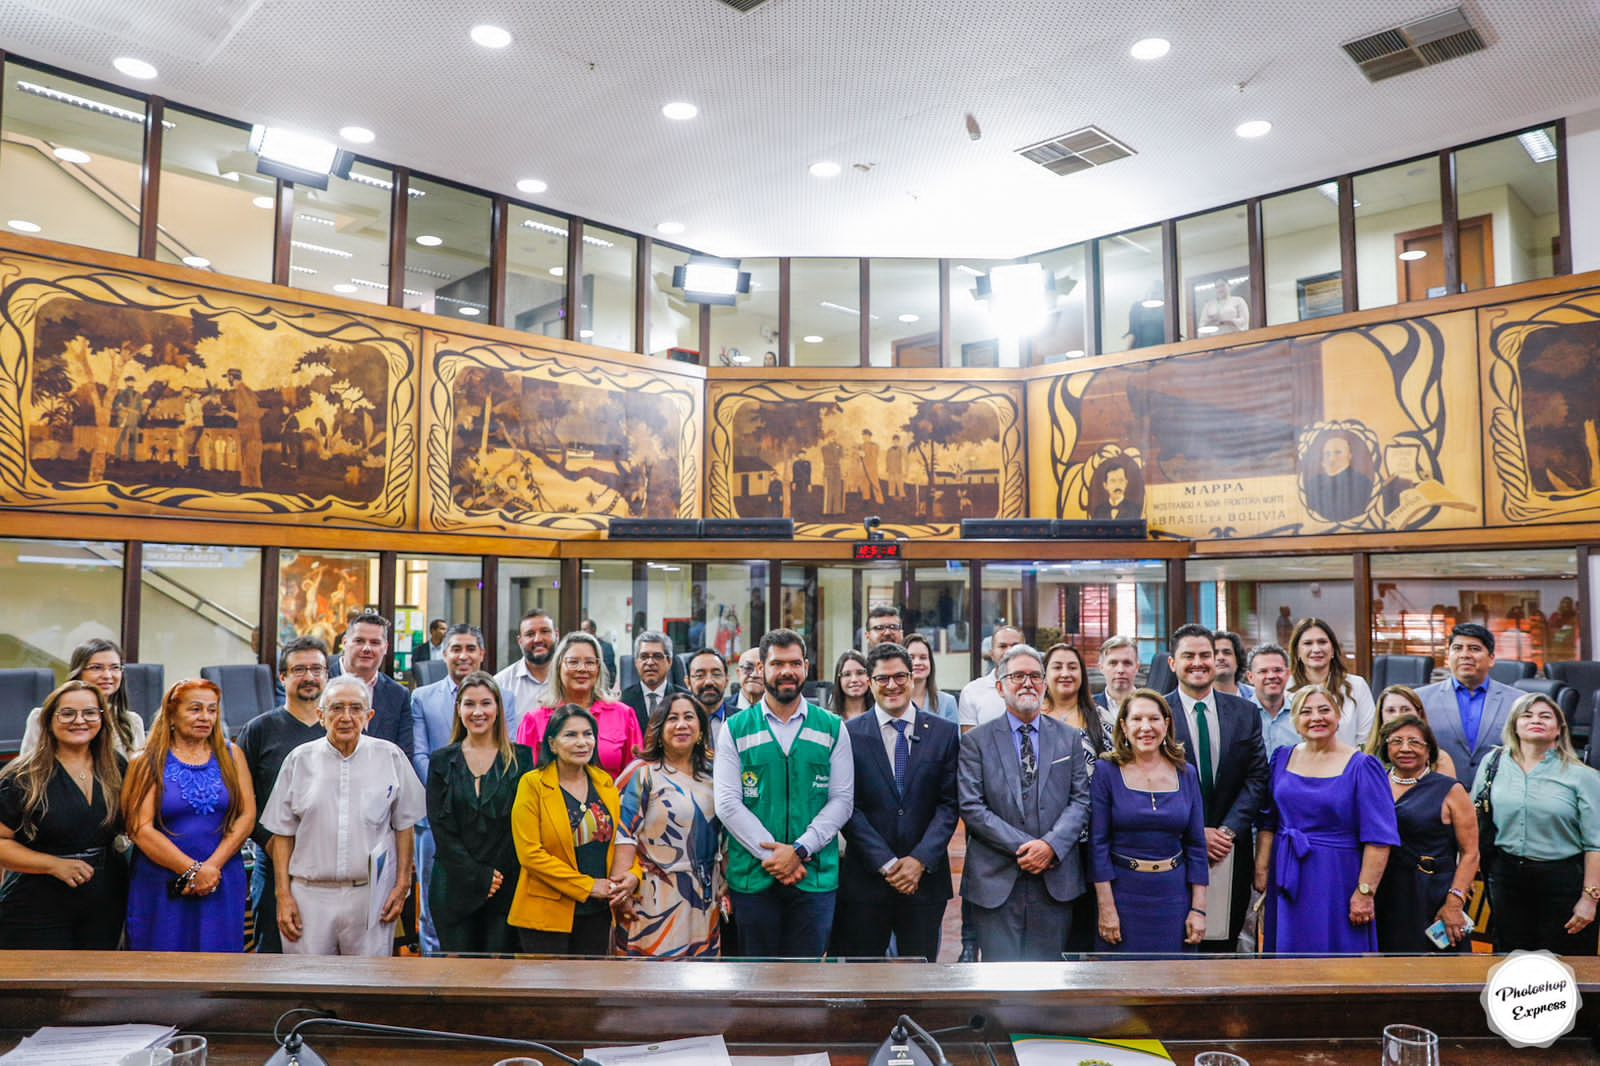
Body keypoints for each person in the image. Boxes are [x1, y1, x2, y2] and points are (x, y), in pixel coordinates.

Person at [261, 675, 425, 957]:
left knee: (367, 988)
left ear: (369, 716)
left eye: (356, 708)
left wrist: (402, 885)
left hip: (371, 895)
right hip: (309, 895)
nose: (346, 717)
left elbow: (404, 825)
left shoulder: (391, 757)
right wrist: (283, 895)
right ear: (321, 716)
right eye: (336, 708)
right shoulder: (299, 760)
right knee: (307, 986)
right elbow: (282, 833)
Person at [714, 629, 854, 958]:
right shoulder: (735, 729)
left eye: (794, 663)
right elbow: (727, 803)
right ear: (761, 669)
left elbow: (842, 801)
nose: (787, 671)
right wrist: (776, 858)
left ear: (806, 667)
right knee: (756, 980)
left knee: (806, 981)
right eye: (777, 663)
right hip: (753, 877)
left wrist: (800, 850)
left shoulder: (832, 727)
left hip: (814, 876)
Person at [958, 644, 1092, 961]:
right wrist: (1028, 847)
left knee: (1050, 986)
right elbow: (972, 806)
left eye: (1035, 675)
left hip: (1055, 879)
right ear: (1001, 686)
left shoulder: (1070, 738)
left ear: (1045, 684)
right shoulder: (976, 741)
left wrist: (1050, 847)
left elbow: (1081, 801)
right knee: (999, 987)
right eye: (1017, 676)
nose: (1027, 683)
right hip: (996, 881)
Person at [835, 643, 959, 960]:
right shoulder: (848, 733)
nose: (892, 685)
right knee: (864, 978)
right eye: (882, 679)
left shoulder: (943, 733)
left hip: (925, 879)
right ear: (871, 683)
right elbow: (847, 806)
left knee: (919, 978)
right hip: (867, 878)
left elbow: (949, 805)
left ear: (912, 676)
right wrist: (887, 863)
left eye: (899, 676)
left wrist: (919, 860)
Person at [1254, 685, 1400, 954]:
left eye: (1324, 710)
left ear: (1338, 716)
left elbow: (1380, 838)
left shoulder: (1363, 766)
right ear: (1295, 721)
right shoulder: (1281, 758)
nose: (1316, 718)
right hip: (1287, 874)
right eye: (1306, 712)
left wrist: (1365, 892)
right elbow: (1268, 821)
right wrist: (1262, 870)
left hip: (1337, 877)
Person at [123, 678, 254, 952]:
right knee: (162, 966)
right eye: (195, 709)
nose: (205, 717)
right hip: (163, 882)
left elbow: (246, 817)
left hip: (221, 879)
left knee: (220, 968)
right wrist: (191, 870)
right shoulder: (147, 760)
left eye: (212, 710)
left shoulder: (232, 755)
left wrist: (211, 869)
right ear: (172, 714)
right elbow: (139, 828)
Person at [1162, 623, 1269, 949]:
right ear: (1172, 663)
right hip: (1172, 848)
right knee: (1174, 946)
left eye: (1205, 655)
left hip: (1229, 850)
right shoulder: (1156, 713)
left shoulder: (1245, 712)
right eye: (1188, 656)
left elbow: (1257, 777)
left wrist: (1227, 831)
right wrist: (1196, 832)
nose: (1198, 662)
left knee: (1222, 945)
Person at [0, 681, 127, 949]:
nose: (79, 720)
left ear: (102, 719)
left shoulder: (116, 766)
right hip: (36, 902)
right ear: (49, 720)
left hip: (105, 899)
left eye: (90, 713)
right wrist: (52, 865)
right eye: (67, 713)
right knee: (42, 989)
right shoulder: (23, 775)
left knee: (92, 986)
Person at [1473, 693, 1600, 955]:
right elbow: (1475, 820)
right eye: (1527, 715)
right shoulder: (1492, 764)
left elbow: (1596, 844)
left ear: (1559, 728)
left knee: (1566, 968)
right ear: (1514, 725)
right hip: (1506, 878)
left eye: (1545, 716)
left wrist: (1590, 898)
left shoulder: (1583, 776)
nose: (1536, 720)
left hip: (1563, 882)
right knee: (1514, 964)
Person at [508, 703, 640, 955]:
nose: (582, 742)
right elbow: (530, 854)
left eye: (588, 734)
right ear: (552, 744)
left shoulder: (605, 783)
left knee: (590, 991)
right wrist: (587, 886)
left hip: (598, 912)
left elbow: (621, 839)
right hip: (545, 915)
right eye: (571, 735)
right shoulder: (533, 784)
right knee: (552, 992)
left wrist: (633, 875)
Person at [1090, 689, 1208, 954]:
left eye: (1154, 719)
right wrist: (1106, 908)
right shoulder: (1105, 771)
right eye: (1137, 719)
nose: (1146, 727)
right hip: (1123, 897)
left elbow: (1197, 846)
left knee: (1176, 984)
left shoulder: (1186, 773)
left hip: (1175, 898)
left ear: (1166, 724)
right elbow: (1098, 845)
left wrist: (1198, 909)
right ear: (1123, 725)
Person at [425, 672, 534, 954]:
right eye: (469, 704)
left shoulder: (522, 759)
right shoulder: (441, 760)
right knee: (458, 980)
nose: (477, 712)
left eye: (486, 703)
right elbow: (441, 828)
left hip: (505, 885)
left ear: (497, 707)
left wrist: (493, 876)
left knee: (499, 980)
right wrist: (476, 875)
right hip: (454, 884)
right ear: (458, 709)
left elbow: (522, 825)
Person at [237, 635, 329, 953]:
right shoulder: (259, 730)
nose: (309, 677)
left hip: (332, 864)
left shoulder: (341, 729)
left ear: (327, 675)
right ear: (283, 677)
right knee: (274, 950)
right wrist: (271, 842)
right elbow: (242, 798)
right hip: (273, 858)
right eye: (299, 670)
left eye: (316, 669)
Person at [613, 691, 723, 957]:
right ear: (659, 730)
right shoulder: (643, 775)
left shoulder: (717, 774)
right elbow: (624, 836)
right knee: (648, 986)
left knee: (702, 985)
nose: (681, 724)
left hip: (704, 897)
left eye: (689, 717)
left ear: (700, 730)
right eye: (672, 719)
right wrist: (620, 895)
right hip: (653, 897)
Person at [410, 623, 487, 955]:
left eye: (471, 648)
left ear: (482, 654)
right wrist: (452, 798)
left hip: (487, 819)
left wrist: (475, 800)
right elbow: (419, 754)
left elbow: (505, 751)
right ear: (443, 654)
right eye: (456, 649)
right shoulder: (421, 698)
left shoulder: (501, 697)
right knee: (432, 902)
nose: (463, 655)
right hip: (434, 819)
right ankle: (433, 972)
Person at [1373, 714, 1478, 953]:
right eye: (1396, 741)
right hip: (1383, 891)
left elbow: (1471, 853)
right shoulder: (1374, 784)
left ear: (1429, 749)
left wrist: (1454, 901)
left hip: (1431, 894)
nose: (1405, 748)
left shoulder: (1450, 789)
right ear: (1385, 747)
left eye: (1415, 742)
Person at [515, 633, 643, 779]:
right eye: (573, 662)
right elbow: (524, 780)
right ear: (558, 666)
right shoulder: (534, 721)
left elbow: (636, 776)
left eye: (590, 662)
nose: (582, 669)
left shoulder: (624, 715)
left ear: (599, 668)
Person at [1418, 623, 1519, 786]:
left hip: (1500, 797)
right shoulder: (1420, 700)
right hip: (1438, 796)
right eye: (1457, 648)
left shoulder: (1518, 702)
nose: (1465, 655)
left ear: (1491, 658)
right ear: (1448, 655)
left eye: (1474, 648)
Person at [20, 638, 146, 760]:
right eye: (96, 668)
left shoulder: (132, 722)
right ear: (78, 672)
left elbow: (139, 776)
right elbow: (27, 774)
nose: (107, 675)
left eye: (115, 668)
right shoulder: (41, 718)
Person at [1286, 617, 1374, 749]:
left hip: (1349, 766)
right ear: (1297, 652)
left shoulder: (1357, 686)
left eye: (1322, 642)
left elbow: (1367, 740)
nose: (1316, 649)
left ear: (1333, 650)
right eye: (1308, 643)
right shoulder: (1285, 690)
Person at [334, 612, 414, 757]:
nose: (367, 648)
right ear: (345, 642)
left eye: (375, 643)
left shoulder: (398, 695)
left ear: (386, 648)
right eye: (359, 641)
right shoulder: (319, 683)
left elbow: (403, 754)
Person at [1363, 685, 1458, 779]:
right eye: (1391, 710)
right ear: (1381, 715)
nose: (1398, 715)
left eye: (1406, 709)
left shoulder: (1440, 760)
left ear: (1419, 714)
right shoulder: (1364, 756)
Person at [495, 609, 558, 734]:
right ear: (520, 641)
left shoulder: (571, 679)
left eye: (545, 631)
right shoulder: (500, 684)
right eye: (530, 634)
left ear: (557, 635)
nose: (538, 639)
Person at [1042, 643, 1110, 755]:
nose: (1065, 674)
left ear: (1082, 674)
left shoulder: (1102, 718)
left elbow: (1117, 765)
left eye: (1072, 668)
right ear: (1044, 674)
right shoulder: (1029, 717)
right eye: (1057, 667)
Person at [958, 625, 1024, 732]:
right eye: (1002, 646)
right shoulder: (972, 691)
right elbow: (970, 743)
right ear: (992, 654)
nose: (1009, 651)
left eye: (1015, 646)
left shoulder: (1039, 688)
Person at [620, 631, 688, 734]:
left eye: (657, 656)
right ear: (636, 662)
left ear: (669, 662)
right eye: (644, 656)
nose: (650, 662)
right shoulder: (622, 701)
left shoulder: (686, 699)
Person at [1303, 429, 1374, 523]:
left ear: (1349, 455)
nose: (1332, 458)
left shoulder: (1363, 483)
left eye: (1338, 452)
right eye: (1327, 453)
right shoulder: (1312, 484)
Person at [1247, 643, 1296, 757]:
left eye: (1277, 670)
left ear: (1288, 674)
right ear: (1250, 677)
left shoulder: (1303, 714)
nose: (1271, 676)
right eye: (1263, 671)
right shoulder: (1239, 716)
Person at [905, 633, 958, 723]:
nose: (917, 662)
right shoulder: (894, 701)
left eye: (923, 657)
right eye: (911, 658)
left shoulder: (947, 702)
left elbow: (953, 736)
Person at [227, 367, 264, 489]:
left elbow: (251, 412)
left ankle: (253, 487)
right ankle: (249, 486)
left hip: (250, 430)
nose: (228, 380)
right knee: (248, 462)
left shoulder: (242, 390)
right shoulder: (242, 390)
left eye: (228, 377)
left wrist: (226, 413)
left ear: (231, 377)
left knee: (251, 461)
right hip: (247, 429)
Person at [1094, 635, 1140, 717]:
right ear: (1101, 667)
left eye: (1127, 663)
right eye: (1113, 663)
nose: (1120, 670)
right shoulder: (1088, 708)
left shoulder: (1153, 706)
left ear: (1137, 667)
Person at [828, 650, 872, 721]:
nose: (854, 680)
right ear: (839, 680)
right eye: (847, 674)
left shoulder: (881, 716)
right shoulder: (828, 719)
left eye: (860, 673)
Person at [1212, 631, 1255, 702]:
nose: (1221, 657)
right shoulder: (1198, 699)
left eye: (1227, 653)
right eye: (1215, 653)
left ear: (1238, 659)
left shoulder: (1256, 697)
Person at [580, 618, 617, 683]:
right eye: (581, 630)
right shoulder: (579, 648)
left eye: (585, 629)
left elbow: (610, 670)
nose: (582, 632)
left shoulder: (606, 647)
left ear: (593, 630)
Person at [732, 647, 766, 714]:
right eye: (748, 668)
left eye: (761, 669)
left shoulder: (782, 710)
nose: (754, 675)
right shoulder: (721, 708)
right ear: (738, 673)